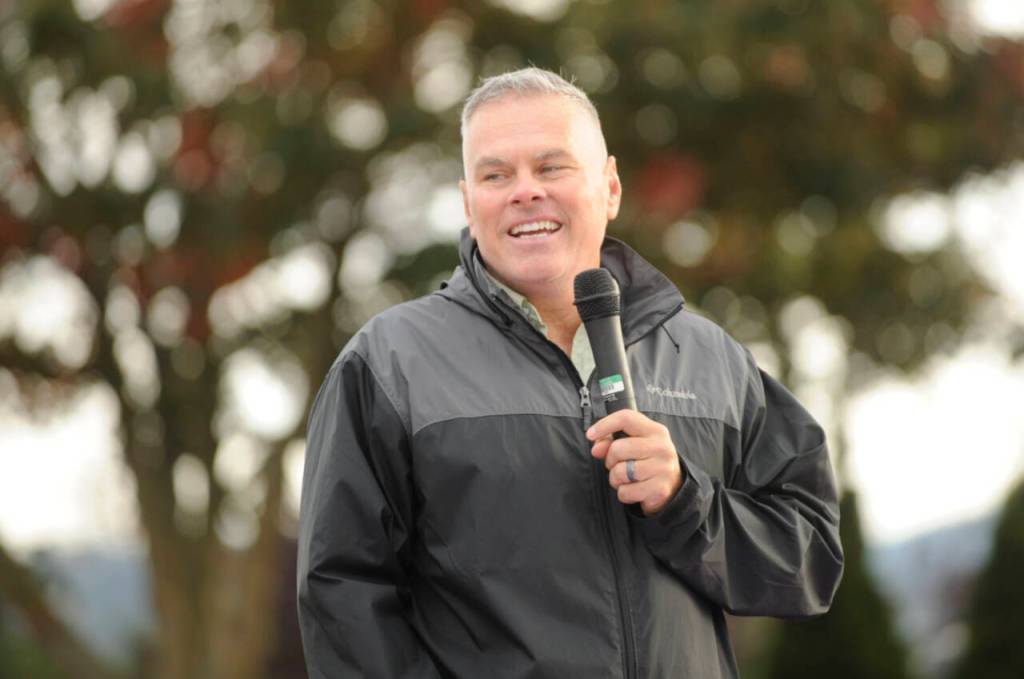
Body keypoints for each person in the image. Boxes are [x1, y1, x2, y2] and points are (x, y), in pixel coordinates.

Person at [297, 67, 843, 678]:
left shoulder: (710, 359)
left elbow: (810, 561)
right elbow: (342, 599)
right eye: (495, 174)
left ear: (609, 187)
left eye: (551, 167)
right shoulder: (389, 364)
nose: (524, 192)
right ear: (468, 201)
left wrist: (685, 504)